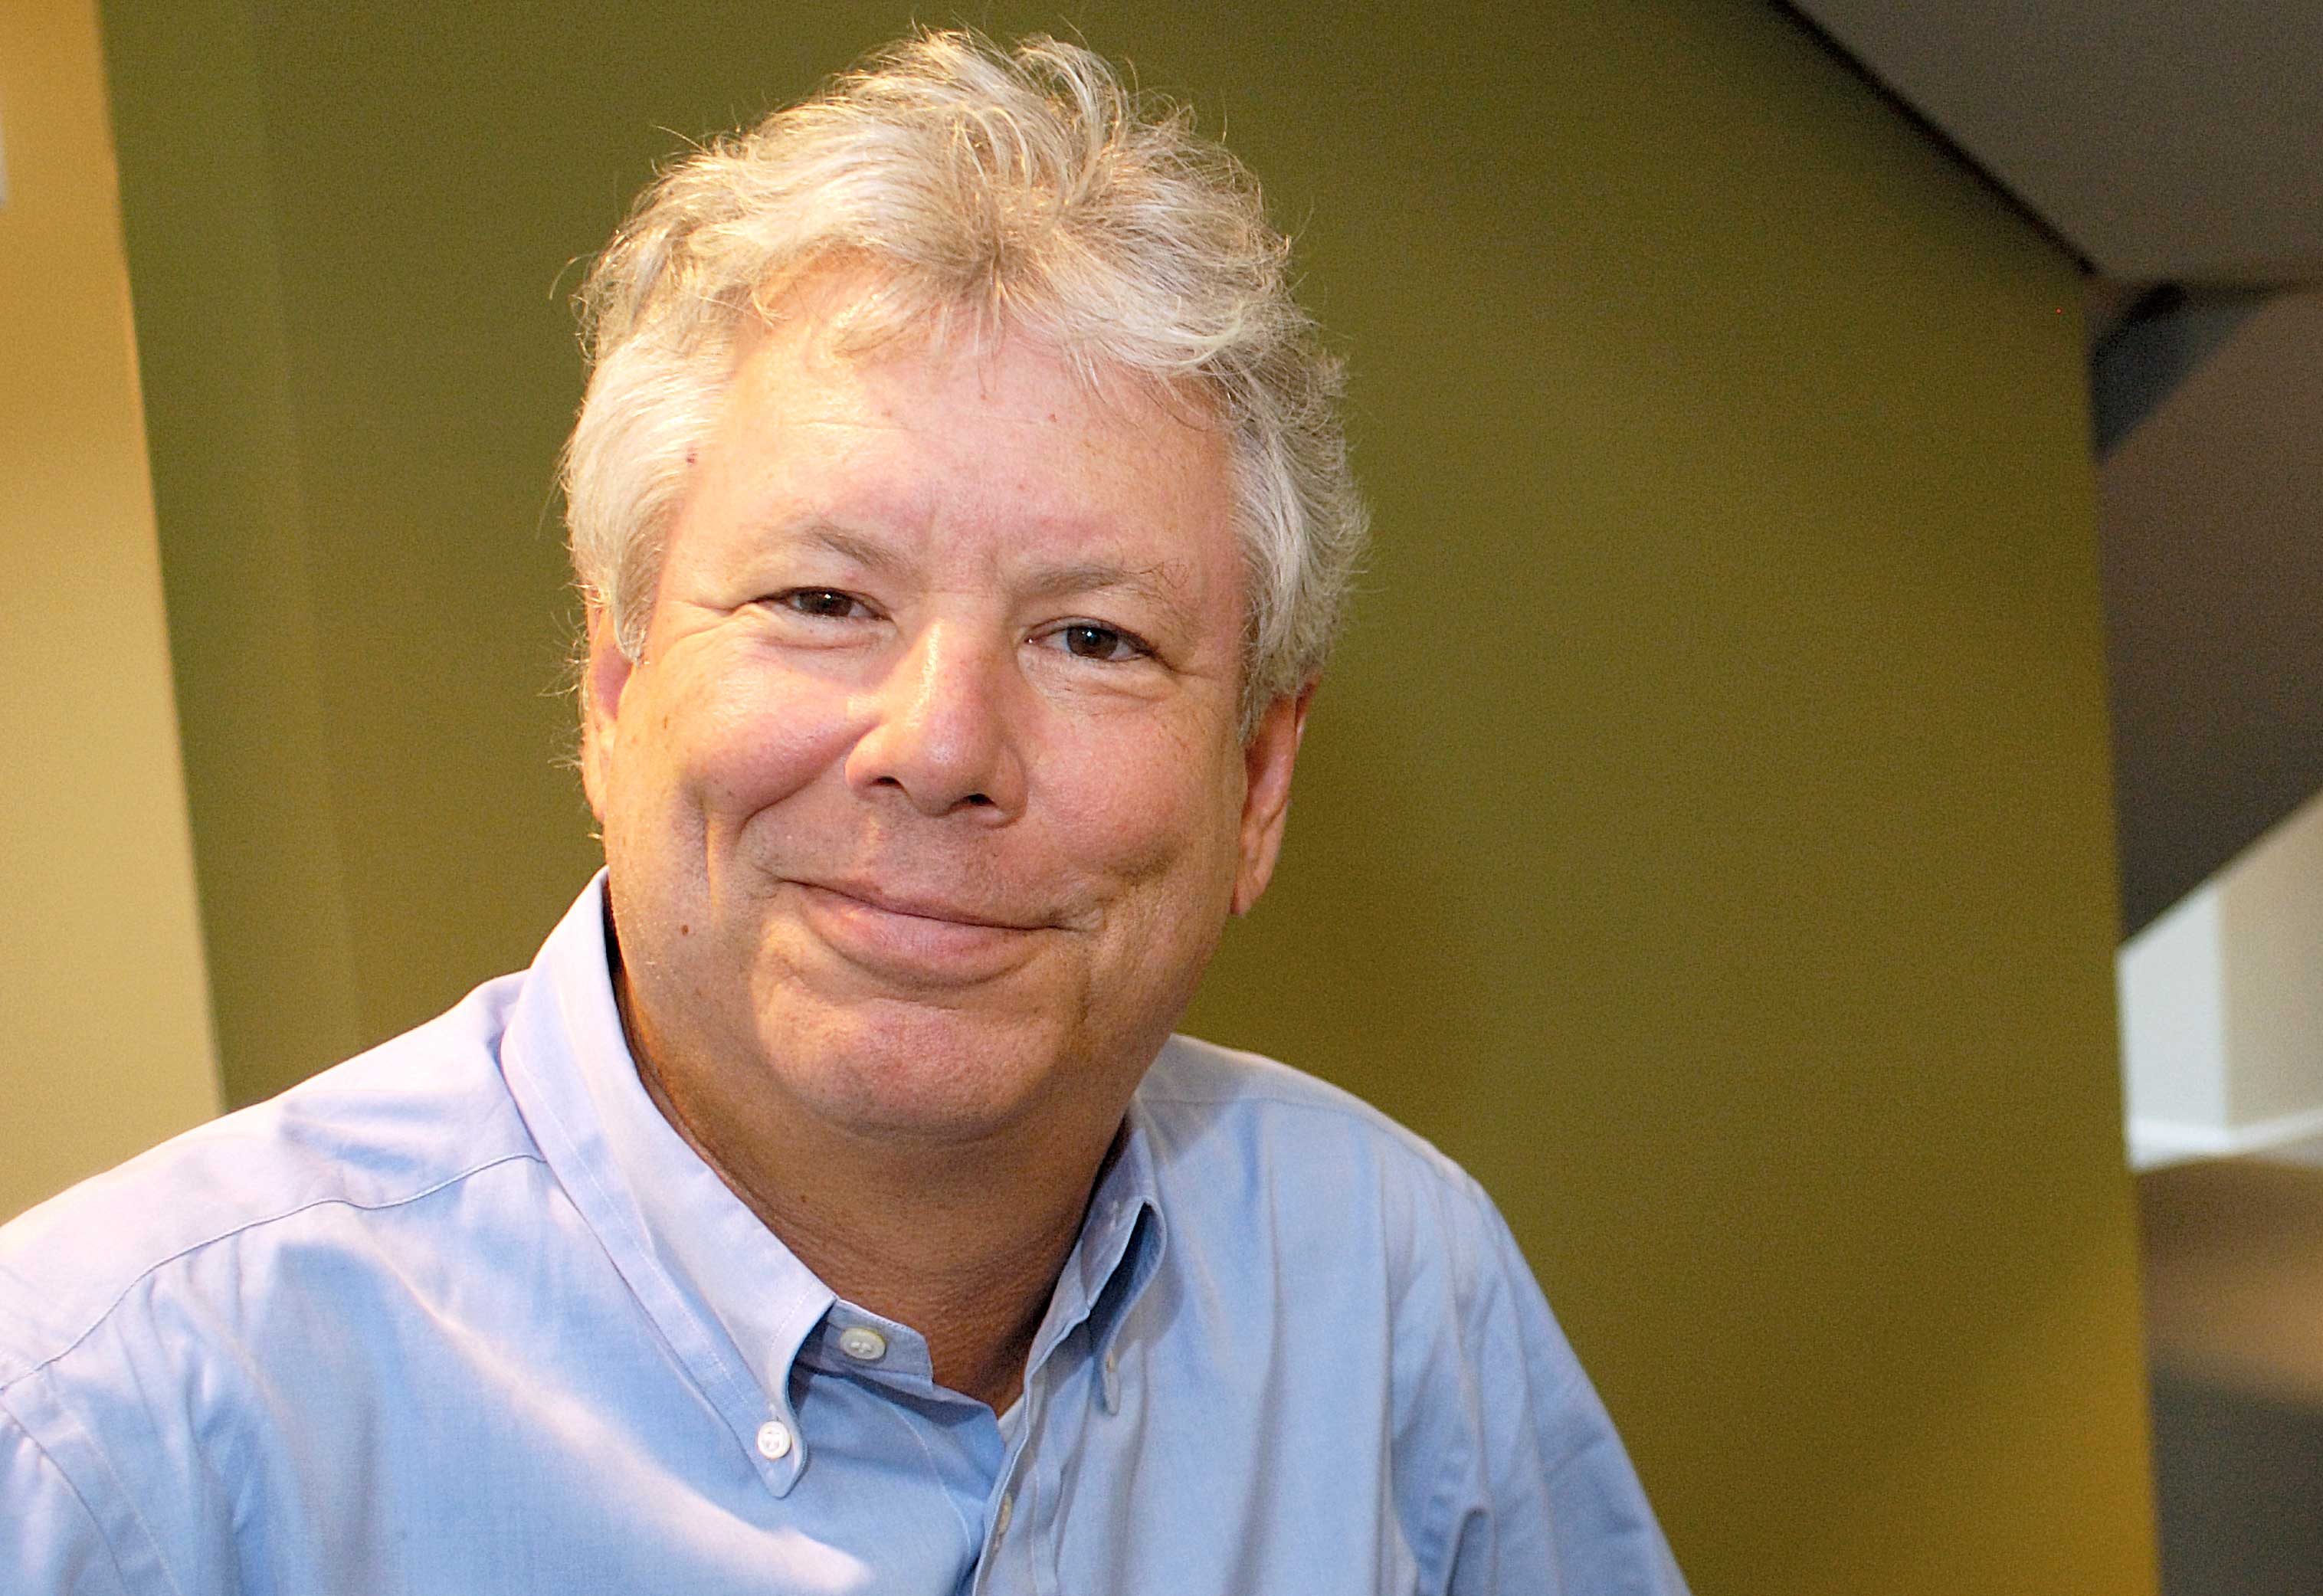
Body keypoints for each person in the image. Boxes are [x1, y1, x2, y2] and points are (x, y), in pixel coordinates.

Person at [0, 31, 1685, 1595]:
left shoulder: (1396, 1290)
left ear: (1257, 784)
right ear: (613, 683)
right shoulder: (115, 1431)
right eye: (822, 599)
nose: (941, 742)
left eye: (1094, 637)